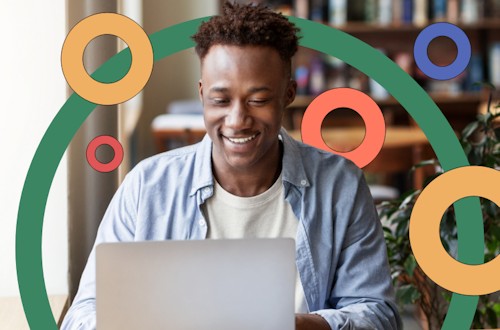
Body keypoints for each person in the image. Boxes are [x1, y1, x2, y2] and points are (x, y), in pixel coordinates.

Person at [61, 2, 401, 329]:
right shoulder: (147, 187)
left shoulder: (340, 185)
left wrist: (296, 327)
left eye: (258, 100)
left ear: (288, 94)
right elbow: (83, 315)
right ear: (202, 94)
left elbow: (380, 316)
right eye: (220, 100)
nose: (238, 120)